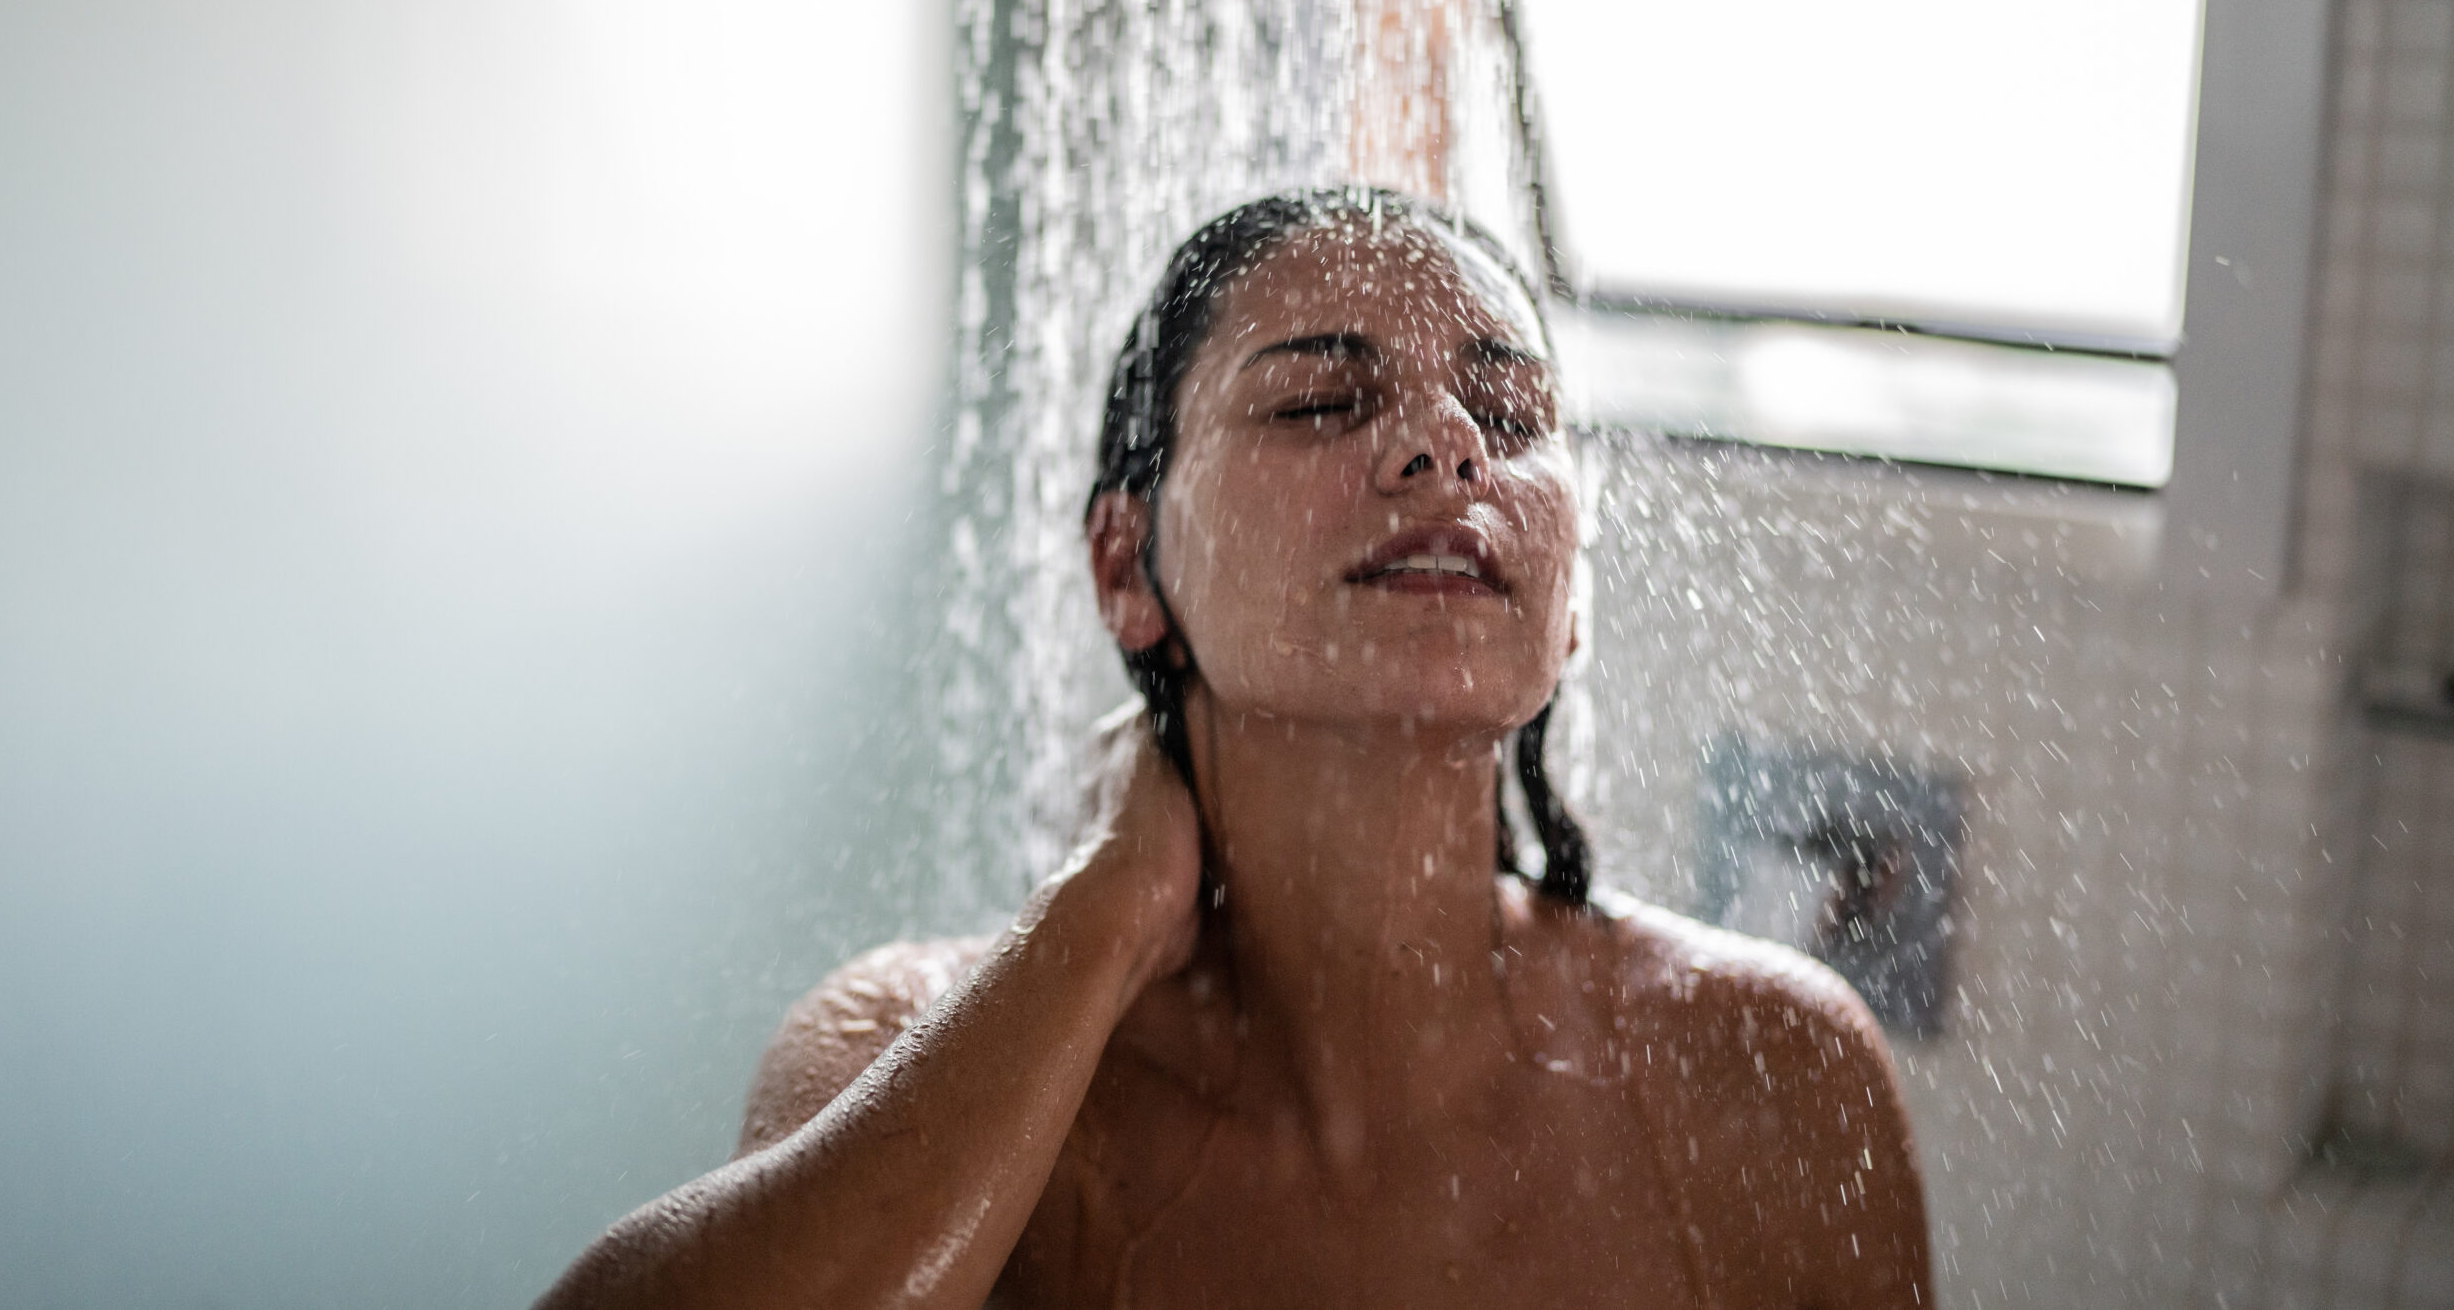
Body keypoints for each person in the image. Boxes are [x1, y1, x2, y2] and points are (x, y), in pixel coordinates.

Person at [537, 187, 1934, 1309]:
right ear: (1127, 564)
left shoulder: (1771, 1074)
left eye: (1508, 417)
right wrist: (1100, 910)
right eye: (1323, 400)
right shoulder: (916, 1049)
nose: (1449, 446)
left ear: (1573, 604)